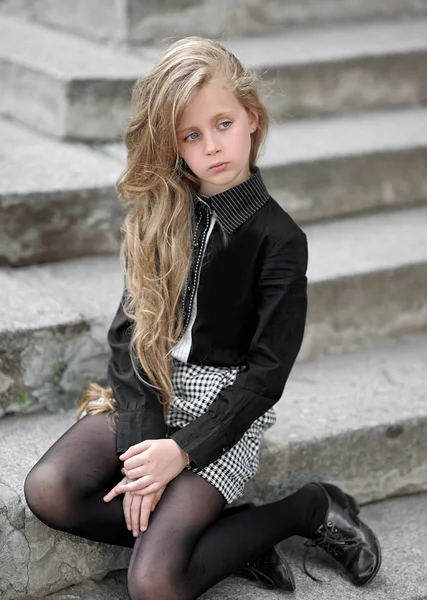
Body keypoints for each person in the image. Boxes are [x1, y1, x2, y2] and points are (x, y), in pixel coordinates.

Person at [23, 36, 381, 599]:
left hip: (225, 409)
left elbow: (266, 375)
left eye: (223, 124)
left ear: (252, 120)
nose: (212, 146)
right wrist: (144, 445)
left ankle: (305, 508)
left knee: (155, 584)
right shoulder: (161, 214)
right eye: (191, 135)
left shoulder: (280, 240)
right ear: (173, 145)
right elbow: (129, 335)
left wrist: (182, 451)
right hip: (152, 385)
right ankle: (232, 537)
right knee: (49, 490)